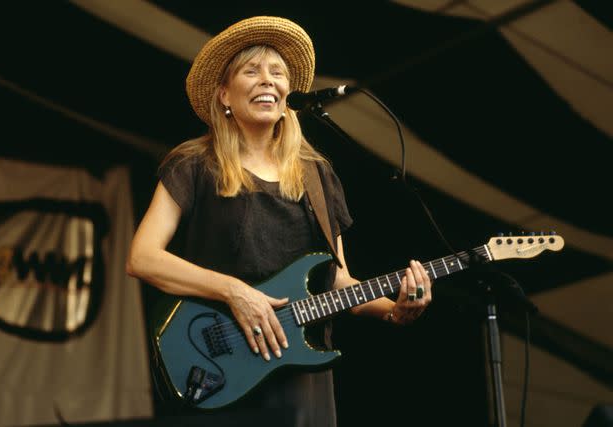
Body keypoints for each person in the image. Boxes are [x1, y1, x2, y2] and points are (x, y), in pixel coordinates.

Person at [126, 15, 432, 426]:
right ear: (224, 95)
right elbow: (142, 257)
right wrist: (235, 291)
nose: (268, 80)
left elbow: (337, 281)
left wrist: (395, 310)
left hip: (301, 383)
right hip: (221, 365)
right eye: (251, 71)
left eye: (278, 73)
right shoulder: (194, 163)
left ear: (289, 94)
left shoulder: (317, 174)